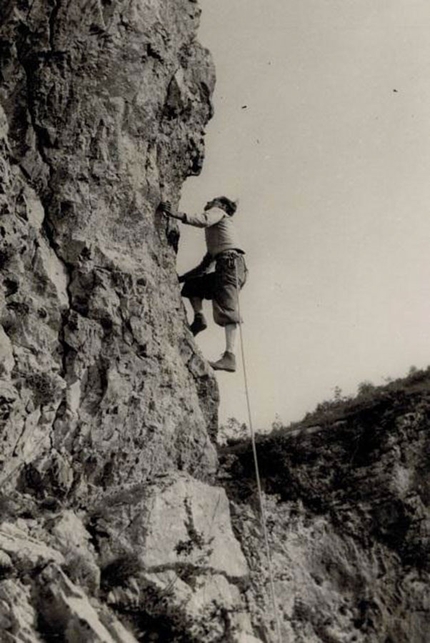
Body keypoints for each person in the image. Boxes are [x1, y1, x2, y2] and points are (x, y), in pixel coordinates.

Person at [160, 196, 247, 373]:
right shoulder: (217, 237)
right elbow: (205, 266)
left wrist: (175, 214)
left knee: (228, 309)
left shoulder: (218, 213)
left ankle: (230, 357)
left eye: (213, 200)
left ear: (222, 205)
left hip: (230, 264)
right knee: (194, 286)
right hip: (226, 264)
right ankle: (199, 319)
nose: (208, 201)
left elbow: (203, 220)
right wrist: (181, 279)